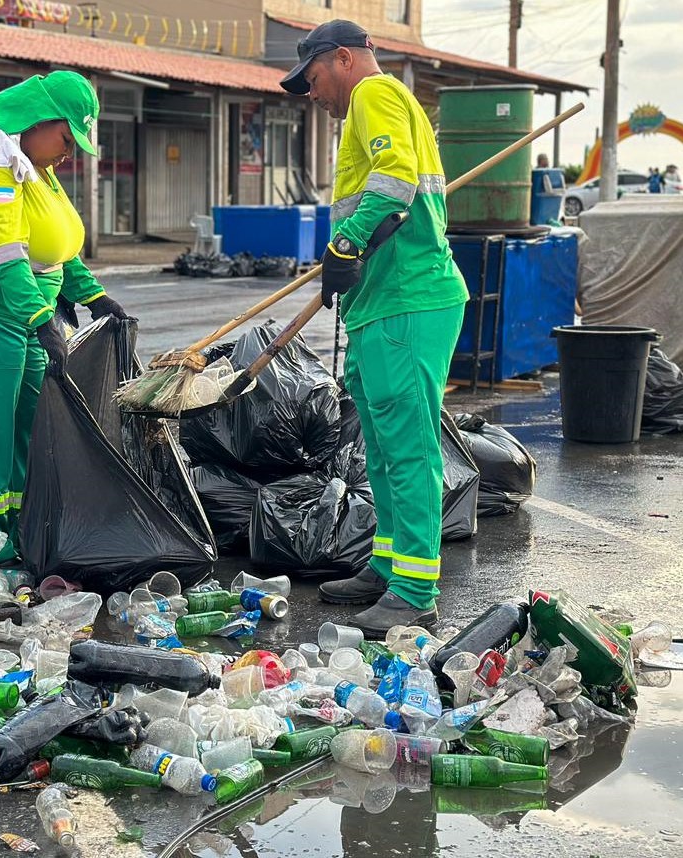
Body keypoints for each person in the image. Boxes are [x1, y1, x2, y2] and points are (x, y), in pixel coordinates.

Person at [280, 20, 469, 632]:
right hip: (381, 301)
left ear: (342, 58)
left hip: (408, 301)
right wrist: (349, 267)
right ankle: (388, 565)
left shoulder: (375, 94)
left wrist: (345, 244)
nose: (313, 95)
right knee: (382, 449)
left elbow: (393, 189)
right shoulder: (375, 104)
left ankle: (414, 590)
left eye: (312, 80)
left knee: (409, 446)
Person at [0, 71, 127, 563]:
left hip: (19, 317)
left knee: (27, 427)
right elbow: (5, 251)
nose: (71, 152)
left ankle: (18, 531)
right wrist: (40, 315)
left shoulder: (31, 162)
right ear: (38, 120)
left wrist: (92, 296)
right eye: (67, 137)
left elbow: (53, 243)